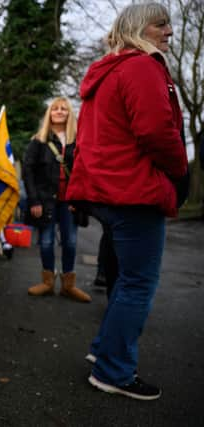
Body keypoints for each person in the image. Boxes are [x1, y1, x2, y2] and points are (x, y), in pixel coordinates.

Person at [67, 2, 188, 400]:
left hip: (108, 189)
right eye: (161, 24)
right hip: (134, 190)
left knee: (124, 280)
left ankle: (104, 353)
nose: (169, 31)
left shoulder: (108, 72)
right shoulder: (140, 66)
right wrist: (179, 172)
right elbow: (157, 130)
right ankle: (114, 372)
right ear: (139, 28)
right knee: (137, 283)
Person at [22, 97, 91, 303]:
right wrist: (34, 201)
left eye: (64, 109)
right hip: (44, 202)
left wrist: (78, 200)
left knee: (70, 242)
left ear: (70, 114)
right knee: (46, 242)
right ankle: (48, 283)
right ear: (49, 114)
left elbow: (84, 171)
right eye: (55, 108)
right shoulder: (39, 141)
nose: (59, 111)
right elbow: (28, 171)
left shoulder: (79, 141)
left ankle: (68, 286)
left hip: (70, 202)